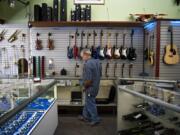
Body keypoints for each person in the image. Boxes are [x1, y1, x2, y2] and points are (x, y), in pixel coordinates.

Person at [79, 49, 102, 126]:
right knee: (88, 102)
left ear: (86, 55)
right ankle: (85, 116)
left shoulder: (88, 64)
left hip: (90, 88)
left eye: (82, 56)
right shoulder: (97, 62)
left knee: (90, 103)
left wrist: (84, 87)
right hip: (96, 87)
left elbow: (88, 80)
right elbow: (99, 75)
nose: (82, 58)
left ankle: (95, 119)